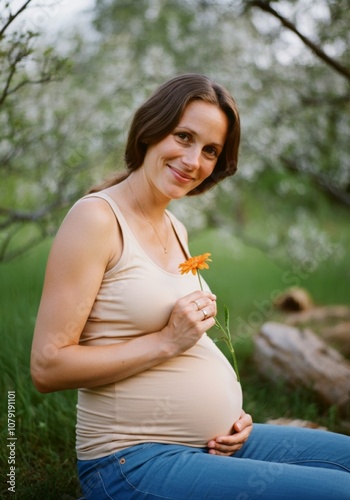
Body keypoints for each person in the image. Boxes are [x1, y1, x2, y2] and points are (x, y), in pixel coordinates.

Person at [31, 74, 350, 500]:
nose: (193, 160)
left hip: (216, 445)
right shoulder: (96, 220)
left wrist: (230, 413)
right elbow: (47, 368)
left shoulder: (175, 226)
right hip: (133, 462)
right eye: (183, 136)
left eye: (210, 150)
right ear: (151, 129)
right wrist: (165, 341)